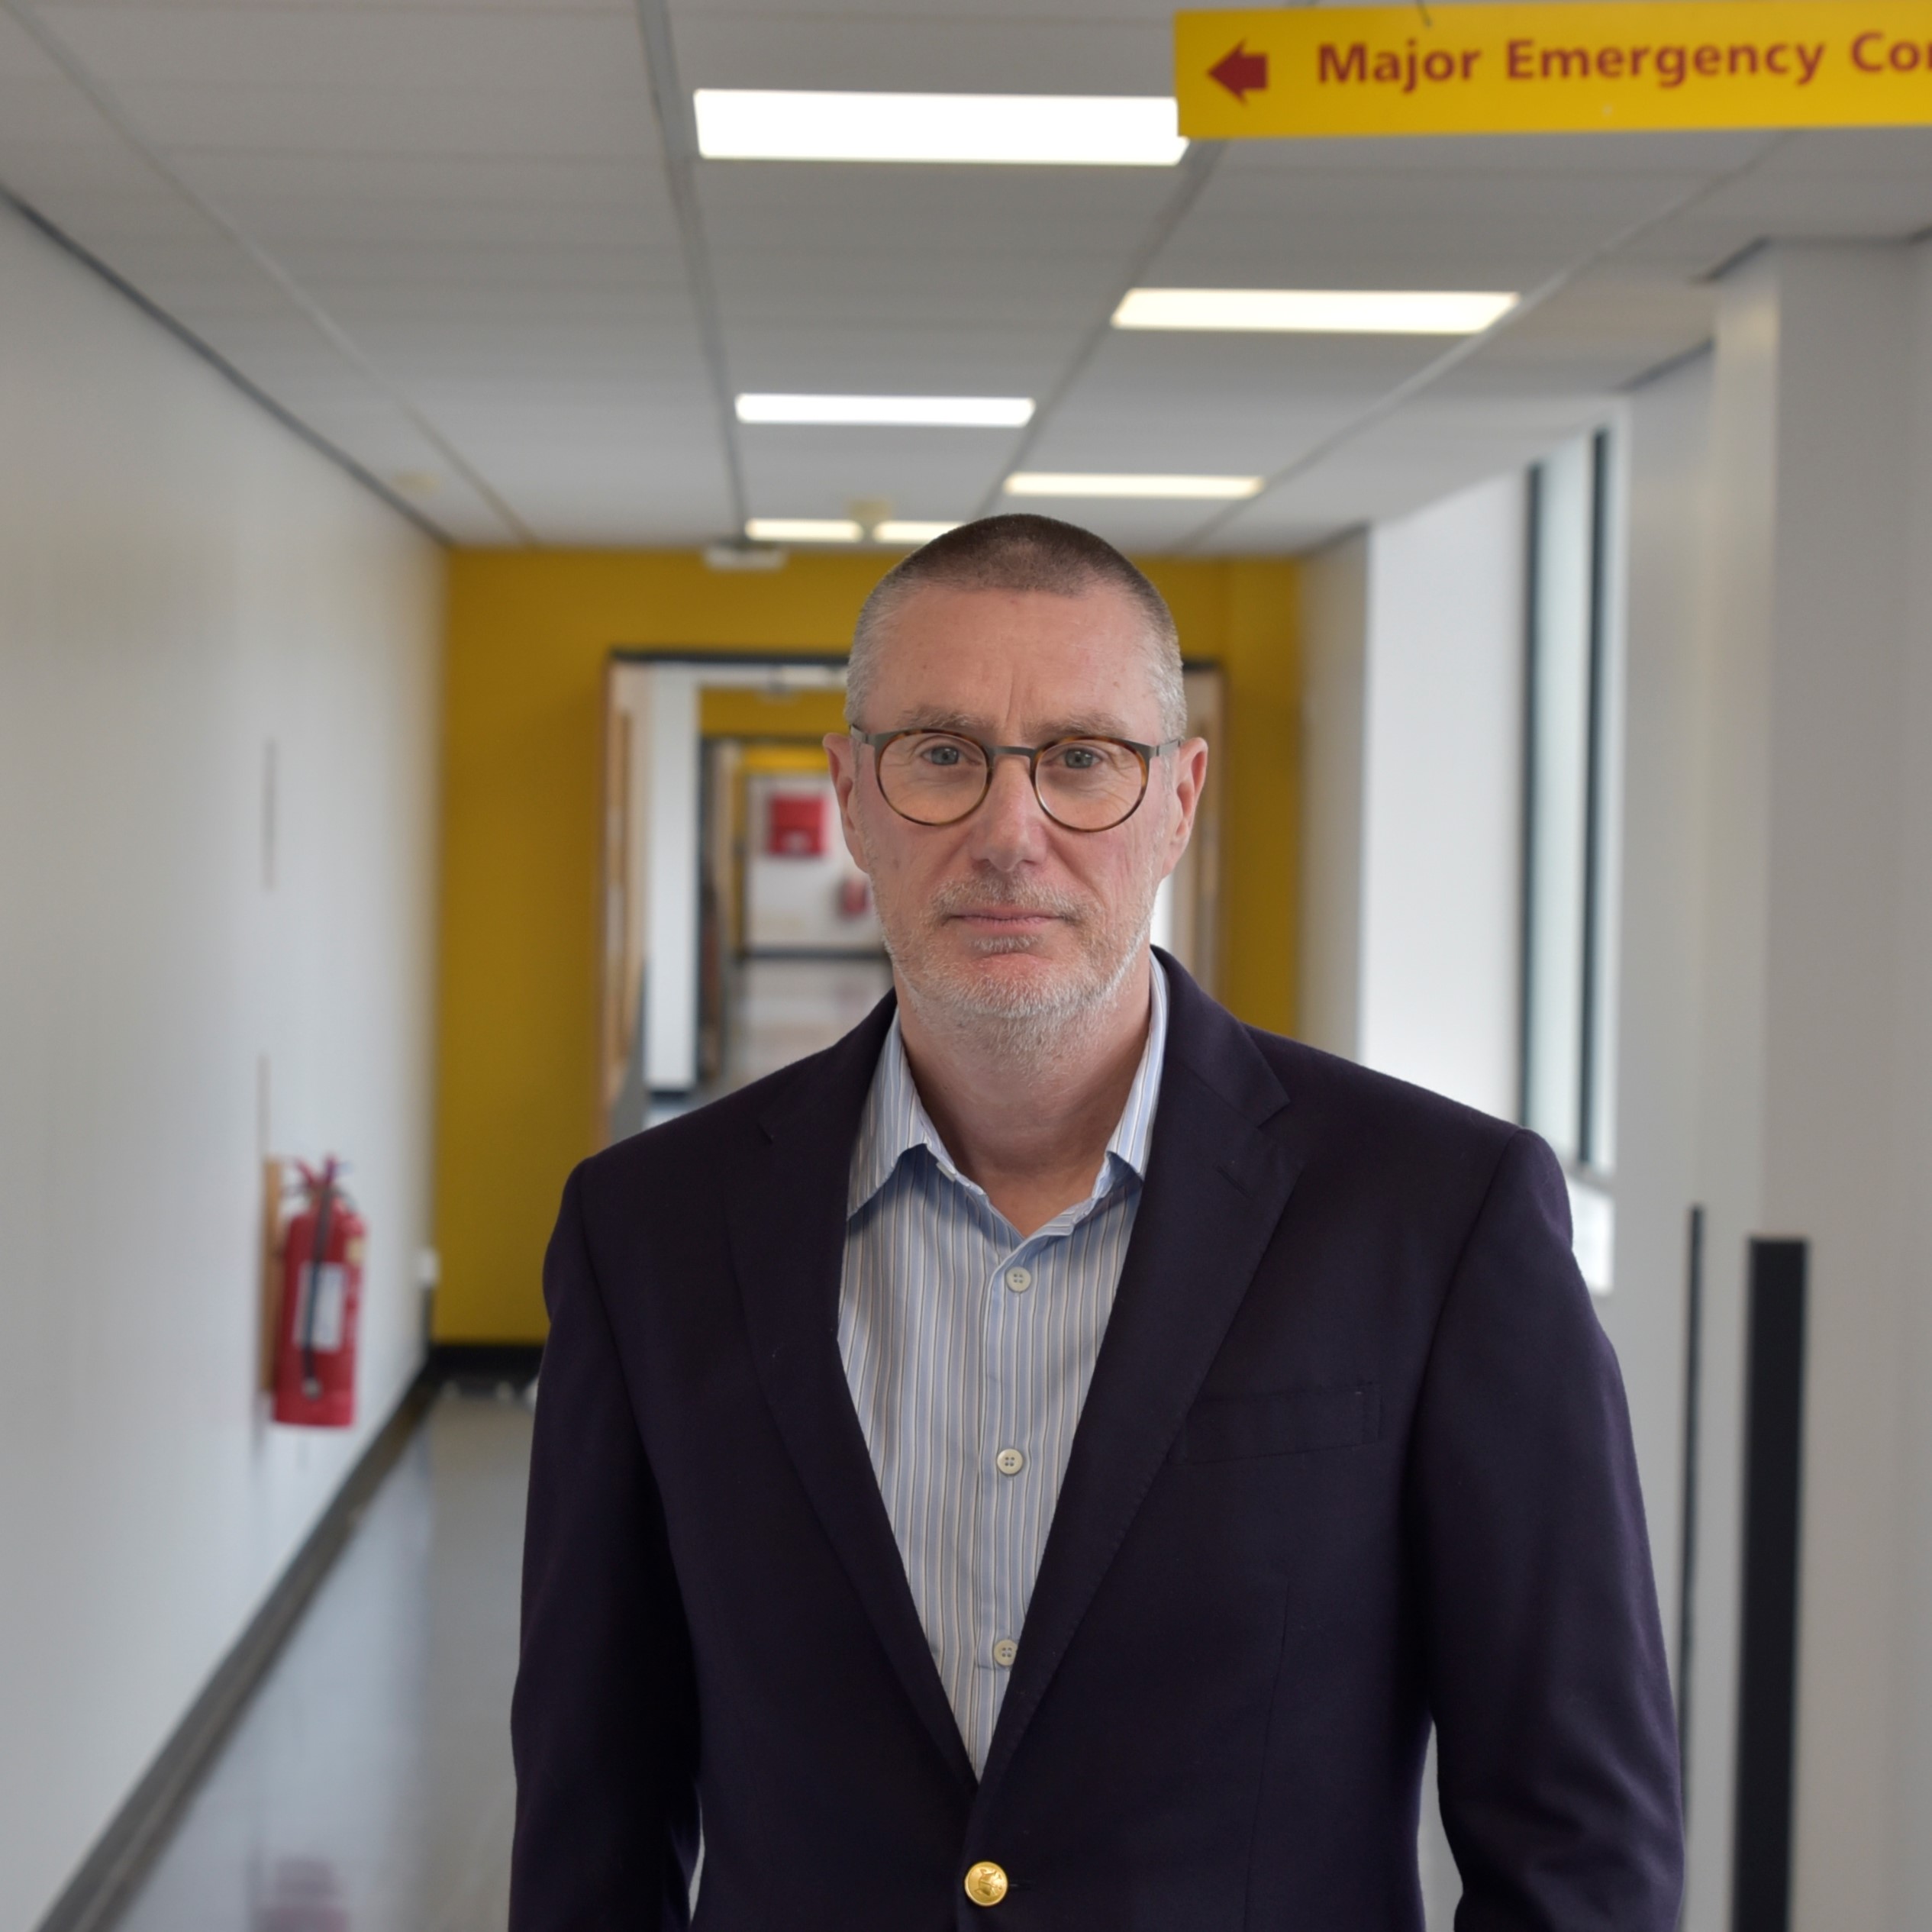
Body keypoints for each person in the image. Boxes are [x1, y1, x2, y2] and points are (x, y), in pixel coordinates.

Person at [509, 514, 1682, 1930]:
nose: (1013, 831)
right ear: (852, 797)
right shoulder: (651, 1233)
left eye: (1082, 761)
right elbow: (592, 1827)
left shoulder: (1436, 1219)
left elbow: (1578, 1848)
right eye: (941, 755)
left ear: (1179, 799)